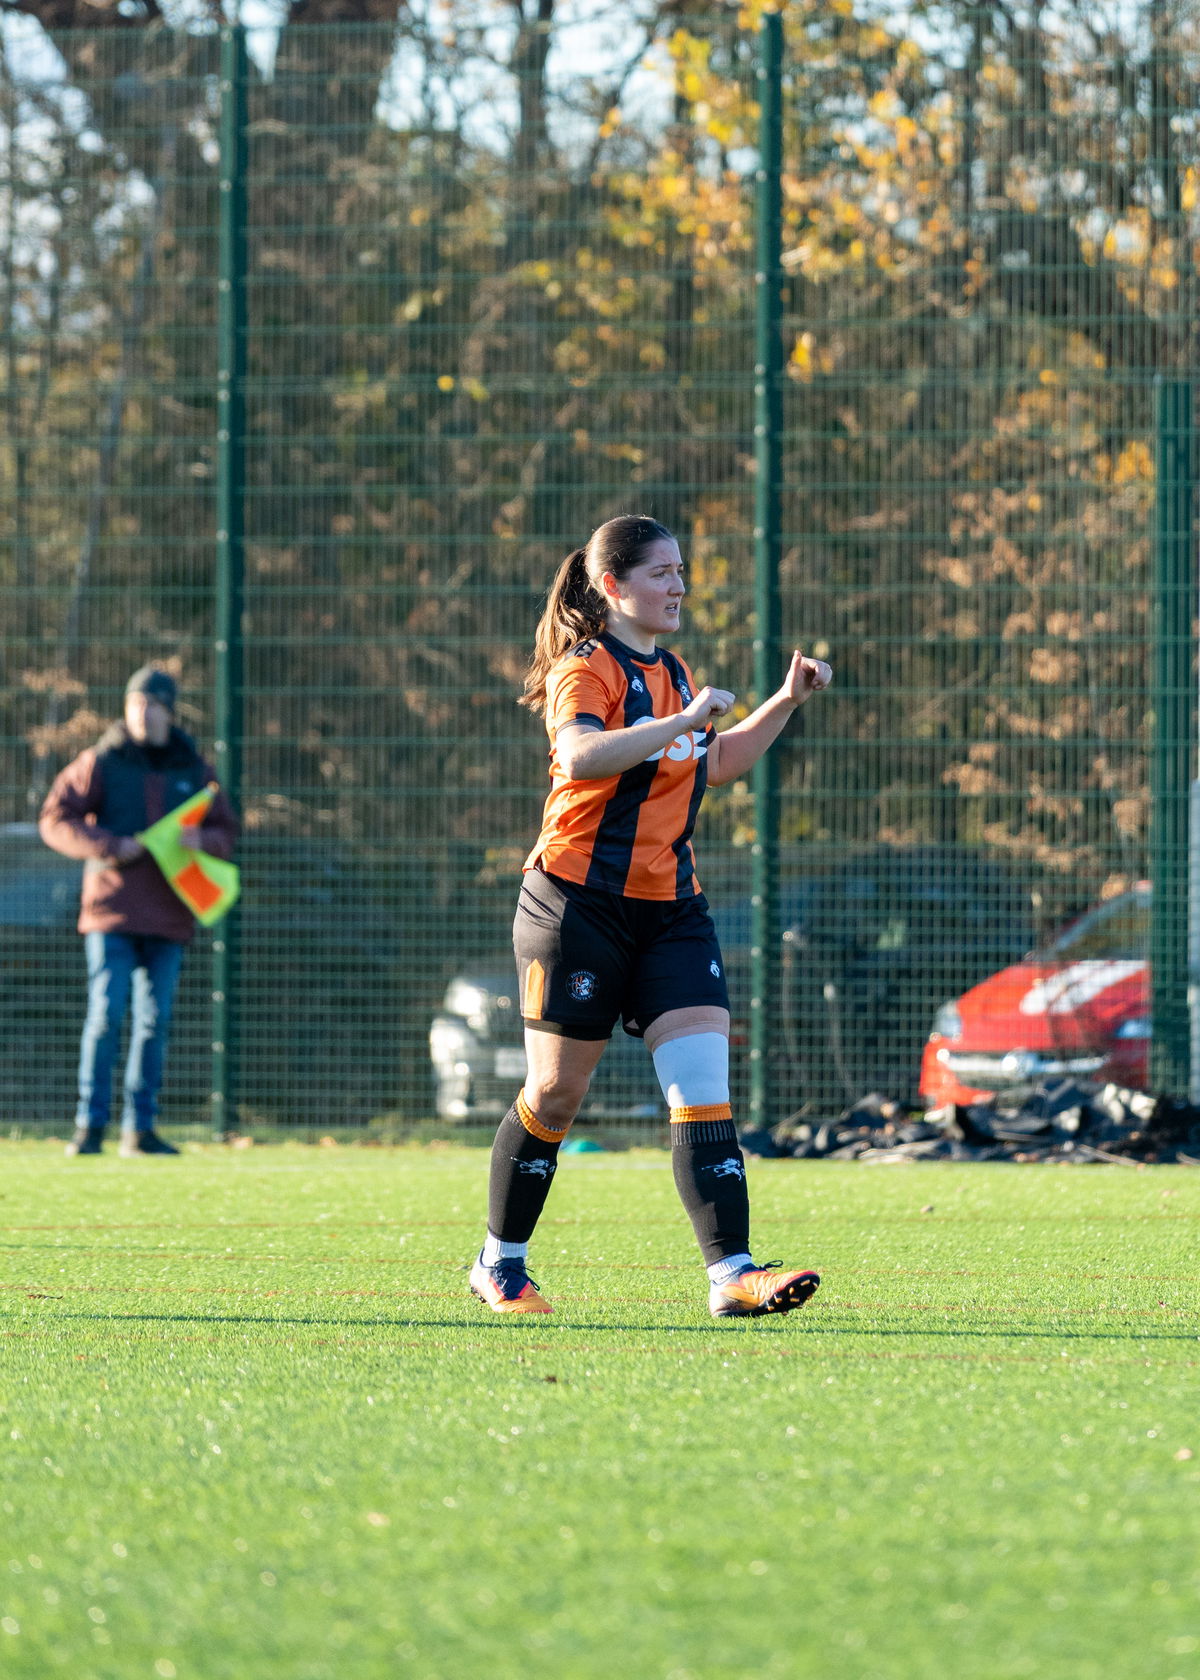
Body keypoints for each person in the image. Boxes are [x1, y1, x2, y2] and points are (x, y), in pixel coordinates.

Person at [469, 515, 833, 1319]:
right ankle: (501, 1263)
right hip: (575, 906)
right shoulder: (586, 668)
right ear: (613, 586)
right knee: (556, 1093)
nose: (679, 586)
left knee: (702, 1086)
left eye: (681, 571)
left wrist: (784, 701)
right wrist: (679, 721)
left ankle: (732, 1274)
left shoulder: (673, 671)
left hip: (672, 911)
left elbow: (717, 762)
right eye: (662, 572)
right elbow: (580, 755)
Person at [38, 666, 239, 1157]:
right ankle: (89, 1127)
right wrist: (109, 845)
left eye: (151, 705)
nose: (142, 714)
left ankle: (140, 1129)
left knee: (155, 1021)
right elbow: (55, 819)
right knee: (106, 1014)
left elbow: (226, 831)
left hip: (169, 916)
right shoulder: (101, 761)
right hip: (111, 912)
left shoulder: (194, 768)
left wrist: (202, 839)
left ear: (169, 712)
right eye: (134, 704)